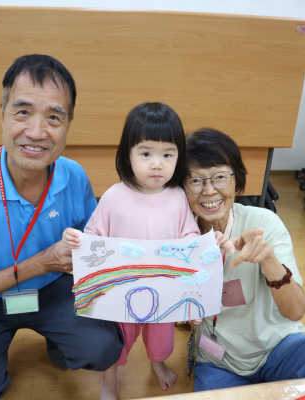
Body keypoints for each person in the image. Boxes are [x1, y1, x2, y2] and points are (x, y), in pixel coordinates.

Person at [0, 54, 124, 400]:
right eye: (22, 112)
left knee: (103, 348)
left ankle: (58, 341)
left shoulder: (74, 176)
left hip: (52, 291)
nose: (36, 132)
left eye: (54, 117)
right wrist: (41, 263)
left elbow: (93, 252)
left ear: (68, 124)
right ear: (2, 113)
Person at [184, 128, 305, 391]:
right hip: (219, 362)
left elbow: (295, 311)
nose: (208, 190)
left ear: (236, 179)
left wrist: (269, 260)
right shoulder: (180, 239)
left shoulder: (263, 223)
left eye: (220, 177)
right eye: (195, 180)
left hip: (279, 348)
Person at [63, 103, 202, 400]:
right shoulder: (114, 196)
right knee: (118, 338)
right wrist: (78, 240)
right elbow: (94, 236)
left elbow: (189, 233)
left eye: (168, 155)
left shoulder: (178, 197)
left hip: (163, 287)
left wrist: (195, 243)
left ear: (179, 156)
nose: (157, 164)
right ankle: (109, 380)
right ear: (128, 154)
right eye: (146, 153)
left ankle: (157, 361)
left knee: (161, 334)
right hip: (120, 288)